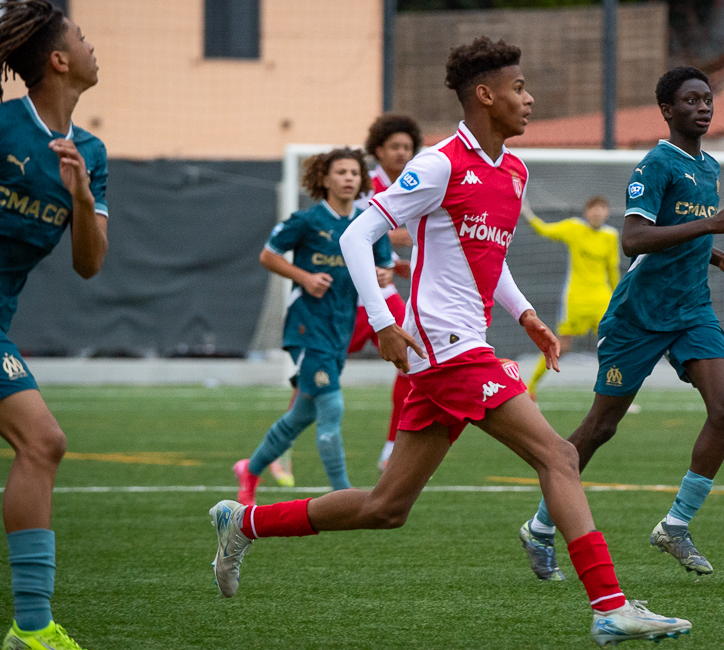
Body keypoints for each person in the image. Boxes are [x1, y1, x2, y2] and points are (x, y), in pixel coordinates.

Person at [207, 37, 692, 646]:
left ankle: (245, 521)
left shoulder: (513, 170)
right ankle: (610, 606)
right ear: (485, 96)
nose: (530, 98)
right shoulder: (439, 164)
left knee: (386, 507)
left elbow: (491, 259)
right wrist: (384, 321)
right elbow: (359, 237)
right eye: (519, 88)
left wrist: (528, 315)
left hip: (461, 347)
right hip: (445, 348)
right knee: (559, 455)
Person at [518, 66, 724, 581]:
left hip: (692, 310)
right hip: (639, 316)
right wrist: (712, 224)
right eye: (691, 100)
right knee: (602, 427)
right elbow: (635, 239)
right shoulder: (656, 164)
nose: (703, 107)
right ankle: (539, 525)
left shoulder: (708, 166)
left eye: (708, 99)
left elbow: (681, 231)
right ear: (668, 111)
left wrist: (718, 256)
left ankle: (676, 524)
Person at [0, 2, 106, 647]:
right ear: (58, 60)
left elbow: (89, 264)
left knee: (41, 445)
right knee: (42, 442)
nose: (90, 45)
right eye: (81, 37)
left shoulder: (92, 155)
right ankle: (31, 629)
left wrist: (81, 199)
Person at [232, 147, 392, 506]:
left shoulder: (369, 223)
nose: (349, 178)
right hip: (307, 329)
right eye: (341, 172)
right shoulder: (306, 221)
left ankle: (250, 469)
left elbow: (383, 269)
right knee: (332, 407)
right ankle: (344, 495)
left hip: (340, 329)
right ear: (324, 179)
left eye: (354, 173)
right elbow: (268, 255)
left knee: (300, 415)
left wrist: (383, 273)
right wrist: (304, 277)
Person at [347, 114, 424, 471]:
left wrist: (395, 264)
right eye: (395, 146)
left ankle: (392, 447)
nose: (402, 153)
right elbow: (356, 232)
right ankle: (282, 443)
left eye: (408, 147)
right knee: (322, 369)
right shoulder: (364, 187)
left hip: (385, 291)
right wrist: (396, 241)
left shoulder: (414, 185)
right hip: (350, 293)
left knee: (409, 358)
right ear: (378, 150)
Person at [522, 195, 620, 401]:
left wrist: (617, 298)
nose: (598, 212)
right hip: (576, 300)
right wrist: (528, 214)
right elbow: (544, 230)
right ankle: (529, 388)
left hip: (602, 300)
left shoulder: (611, 235)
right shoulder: (574, 229)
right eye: (594, 208)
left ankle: (616, 397)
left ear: (607, 213)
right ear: (587, 212)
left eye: (602, 209)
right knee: (562, 347)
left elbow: (612, 270)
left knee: (613, 347)